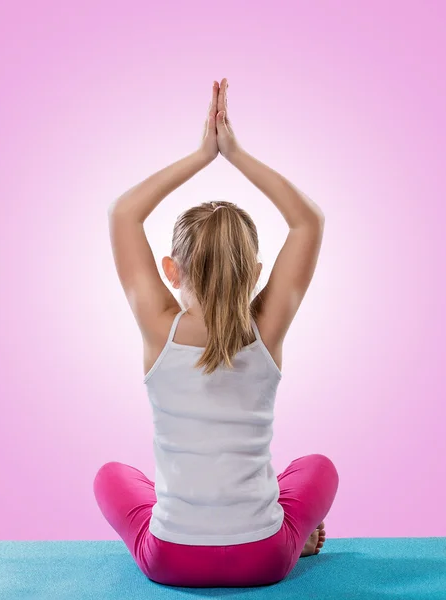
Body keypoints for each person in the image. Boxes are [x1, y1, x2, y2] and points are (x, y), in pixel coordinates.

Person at [93, 78, 339, 588]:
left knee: (113, 477)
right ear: (255, 271)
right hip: (265, 560)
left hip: (171, 560)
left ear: (170, 269)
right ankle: (296, 534)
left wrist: (202, 154)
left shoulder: (159, 328)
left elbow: (123, 213)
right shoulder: (268, 327)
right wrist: (235, 154)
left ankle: (277, 531)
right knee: (317, 467)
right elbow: (307, 222)